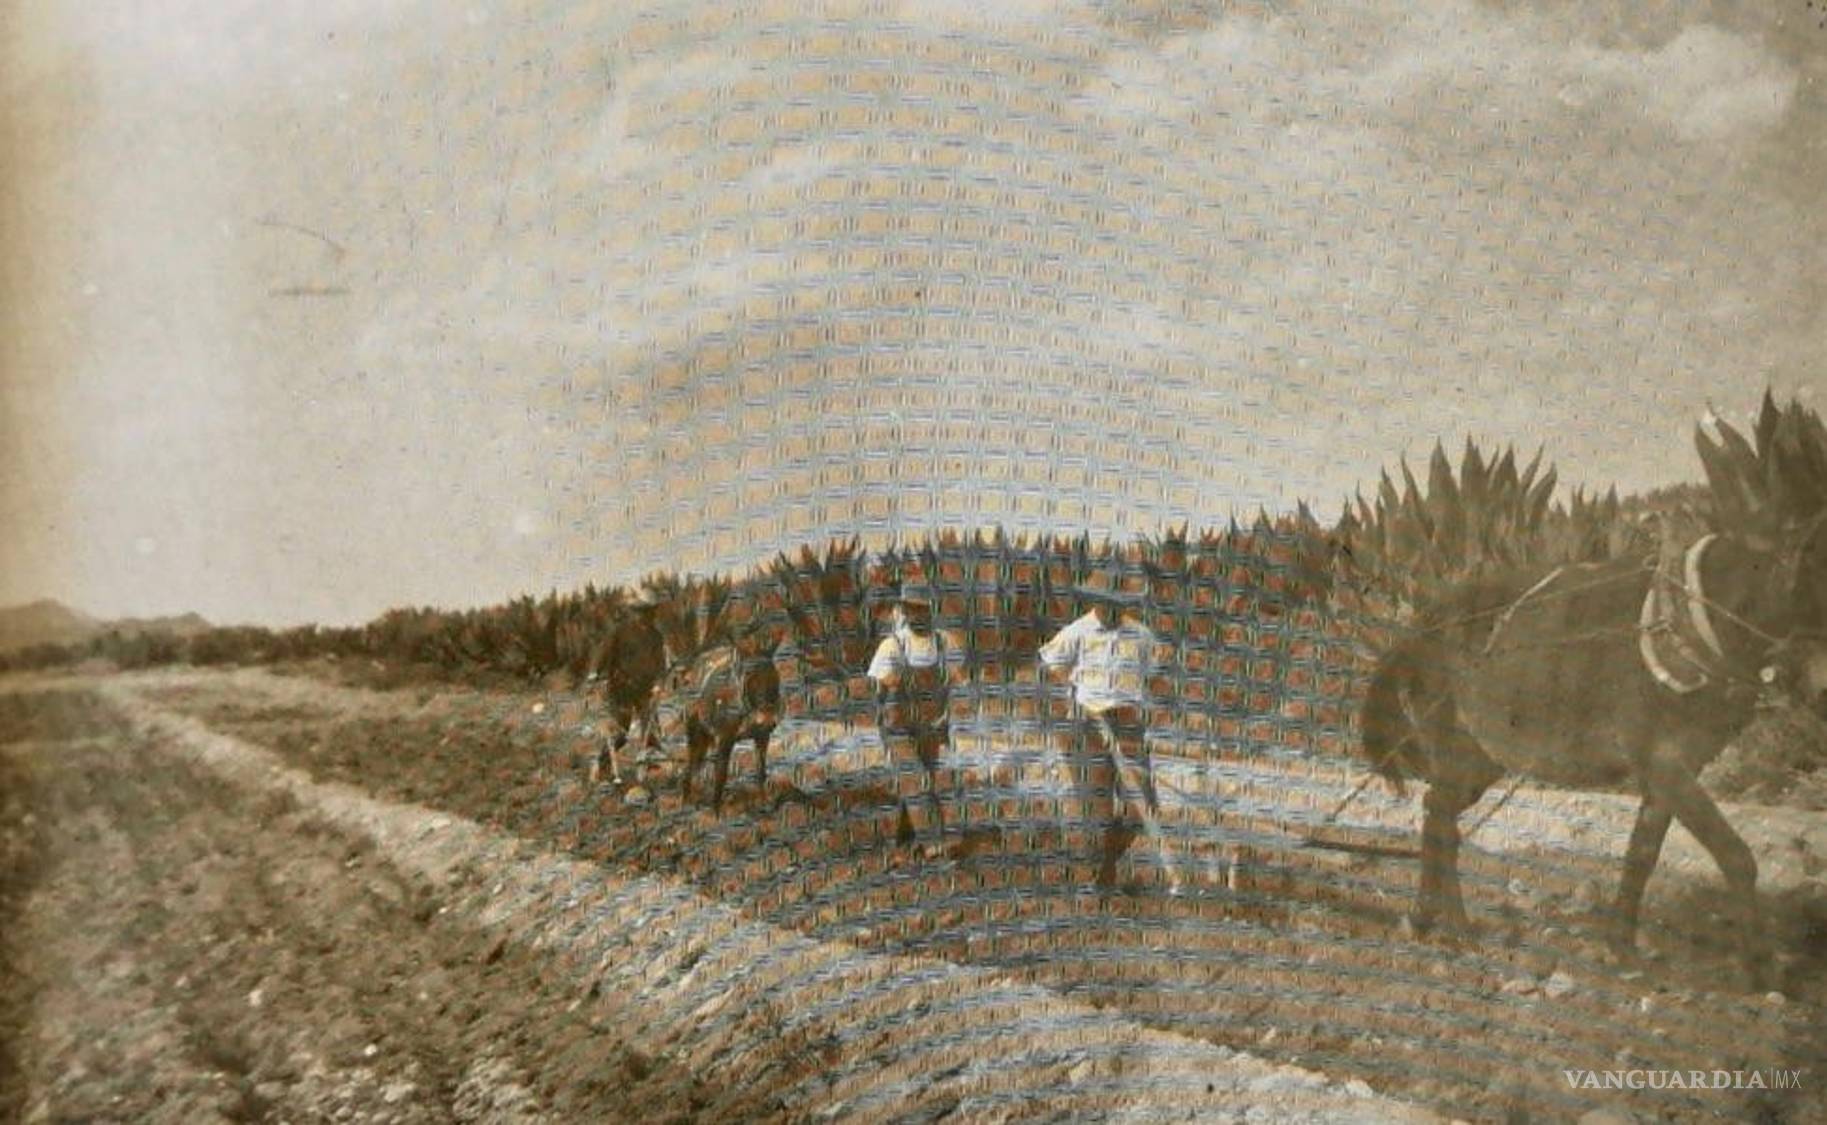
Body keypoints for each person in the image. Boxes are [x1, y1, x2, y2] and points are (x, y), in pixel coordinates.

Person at [1038, 570, 1183, 893]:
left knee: (1140, 806)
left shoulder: (1141, 635)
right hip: (1088, 725)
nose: (1112, 610)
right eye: (1105, 603)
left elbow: (1157, 678)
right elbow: (1049, 668)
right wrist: (1068, 698)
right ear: (1095, 602)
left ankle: (1104, 864)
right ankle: (1098, 877)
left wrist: (1166, 704)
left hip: (1127, 723)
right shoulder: (1077, 632)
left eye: (1118, 604)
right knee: (1096, 809)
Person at [867, 585, 964, 854]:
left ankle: (904, 838)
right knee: (916, 779)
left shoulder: (944, 642)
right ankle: (932, 844)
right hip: (899, 727)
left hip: (932, 726)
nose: (918, 614)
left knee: (934, 779)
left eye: (923, 609)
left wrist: (950, 713)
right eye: (912, 609)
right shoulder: (894, 645)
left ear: (931, 610)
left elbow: (957, 680)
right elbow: (876, 683)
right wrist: (894, 683)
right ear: (904, 611)